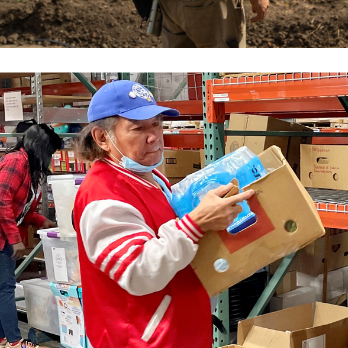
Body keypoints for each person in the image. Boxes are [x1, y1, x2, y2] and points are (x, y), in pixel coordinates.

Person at [74, 81, 255, 348]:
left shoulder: (150, 177)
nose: (154, 136)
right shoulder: (103, 195)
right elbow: (138, 270)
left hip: (178, 333)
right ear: (103, 138)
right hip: (140, 340)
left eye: (157, 124)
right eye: (138, 128)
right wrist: (195, 224)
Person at [0, 122, 59, 348]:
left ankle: (4, 339)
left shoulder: (30, 169)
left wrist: (44, 222)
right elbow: (2, 200)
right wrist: (15, 239)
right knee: (5, 288)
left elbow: (22, 206)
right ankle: (14, 341)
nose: (51, 159)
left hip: (5, 233)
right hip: (4, 235)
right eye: (50, 153)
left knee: (2, 287)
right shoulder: (16, 162)